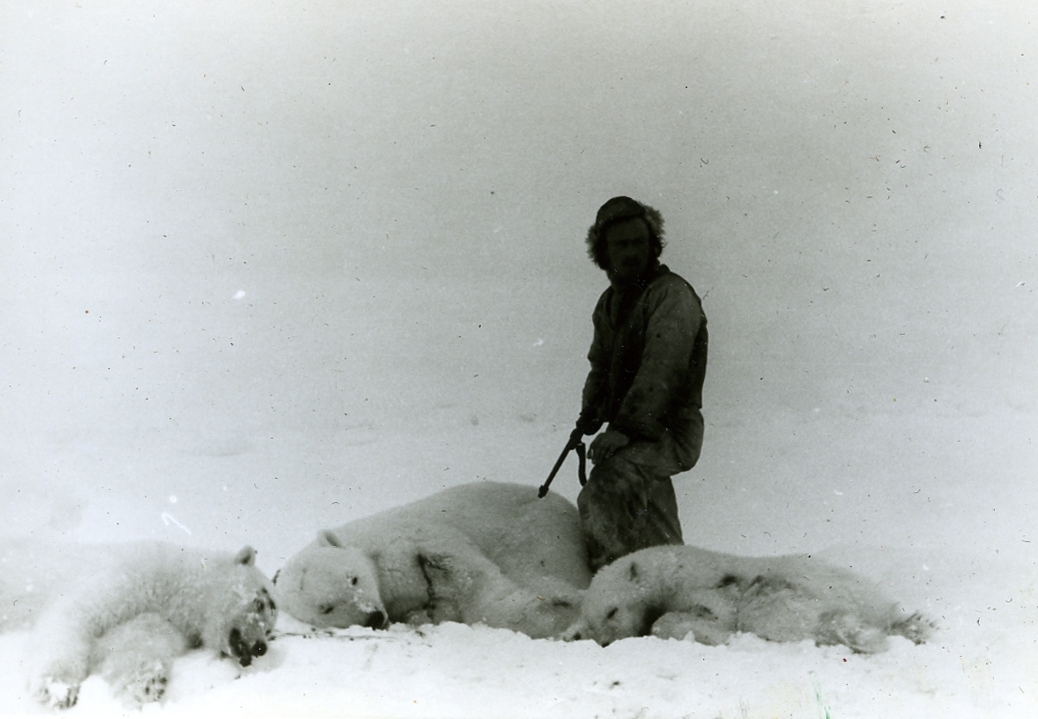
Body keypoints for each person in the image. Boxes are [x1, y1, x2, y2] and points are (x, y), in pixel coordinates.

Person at [572, 196, 708, 571]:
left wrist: (625, 429)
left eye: (638, 242)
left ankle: (612, 595)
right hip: (631, 433)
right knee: (650, 520)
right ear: (603, 253)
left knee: (605, 490)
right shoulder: (610, 303)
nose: (631, 252)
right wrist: (590, 415)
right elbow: (600, 367)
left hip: (666, 431)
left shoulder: (671, 294)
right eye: (621, 244)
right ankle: (673, 586)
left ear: (653, 246)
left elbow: (663, 368)